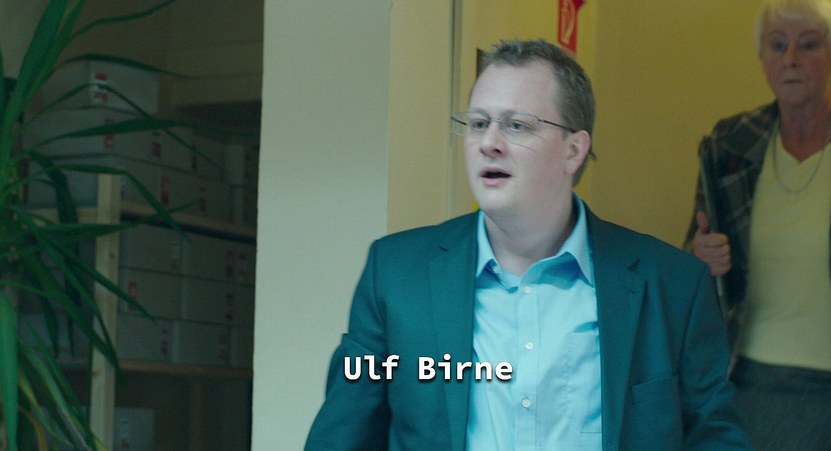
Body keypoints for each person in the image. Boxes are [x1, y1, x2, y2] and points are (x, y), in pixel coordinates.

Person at [307, 38, 749, 450]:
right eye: (478, 123)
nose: (489, 143)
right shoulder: (396, 275)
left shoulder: (673, 285)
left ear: (574, 150)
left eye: (516, 125)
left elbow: (713, 437)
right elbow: (342, 437)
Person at [685, 0, 831, 449]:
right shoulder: (729, 144)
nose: (791, 59)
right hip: (748, 377)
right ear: (762, 58)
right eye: (778, 45)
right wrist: (700, 255)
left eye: (809, 45)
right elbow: (693, 255)